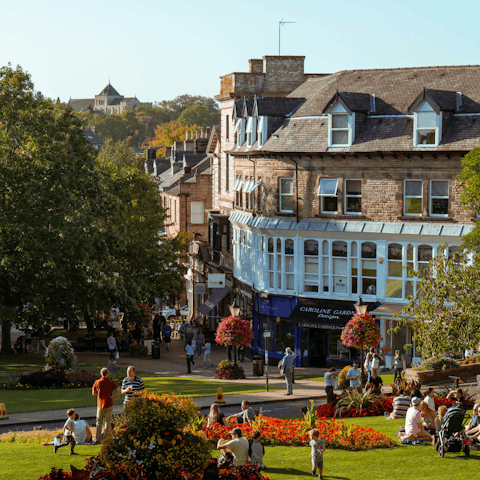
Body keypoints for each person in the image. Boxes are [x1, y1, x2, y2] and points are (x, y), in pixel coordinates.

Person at [92, 368, 121, 442]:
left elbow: (93, 393)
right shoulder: (111, 382)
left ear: (101, 373)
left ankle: (98, 439)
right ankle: (106, 438)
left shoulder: (97, 382)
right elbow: (119, 391)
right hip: (109, 403)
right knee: (107, 422)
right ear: (108, 374)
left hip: (100, 404)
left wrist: (98, 392)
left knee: (99, 422)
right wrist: (114, 397)